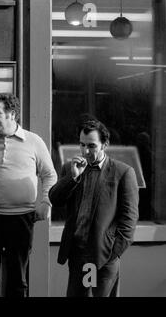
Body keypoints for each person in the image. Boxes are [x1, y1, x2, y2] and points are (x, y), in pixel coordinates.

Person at [0, 93, 57, 297]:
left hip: (21, 219)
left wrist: (46, 201)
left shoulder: (33, 141)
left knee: (18, 279)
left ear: (12, 114)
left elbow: (50, 174)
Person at [49, 118, 139, 297]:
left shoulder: (123, 172)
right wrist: (73, 178)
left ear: (105, 144)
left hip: (104, 255)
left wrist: (113, 252)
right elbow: (55, 199)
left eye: (91, 146)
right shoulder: (72, 168)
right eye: (82, 145)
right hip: (77, 254)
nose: (85, 151)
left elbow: (129, 219)